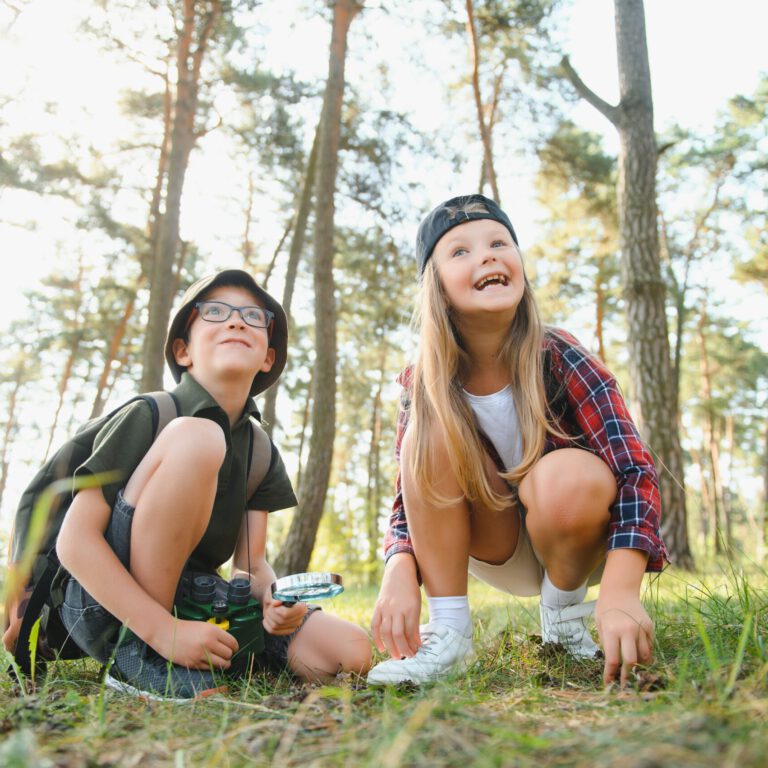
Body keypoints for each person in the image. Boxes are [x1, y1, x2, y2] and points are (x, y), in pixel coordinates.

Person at [366, 195, 667, 689]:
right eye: (459, 252)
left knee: (568, 474)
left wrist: (620, 589)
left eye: (498, 243)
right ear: (435, 287)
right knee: (431, 422)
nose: (485, 255)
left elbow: (634, 471)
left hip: (571, 536)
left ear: (518, 266)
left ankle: (564, 619)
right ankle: (450, 633)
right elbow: (407, 496)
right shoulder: (423, 383)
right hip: (490, 543)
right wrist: (398, 565)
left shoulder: (561, 354)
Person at [55, 269, 371, 701]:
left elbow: (252, 564)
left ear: (267, 358)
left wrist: (276, 603)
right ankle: (137, 660)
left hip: (195, 599)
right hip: (107, 604)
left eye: (253, 317)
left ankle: (216, 653)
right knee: (199, 436)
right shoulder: (151, 415)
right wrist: (161, 630)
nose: (237, 322)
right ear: (183, 351)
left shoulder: (259, 449)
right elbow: (74, 541)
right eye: (216, 312)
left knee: (350, 651)